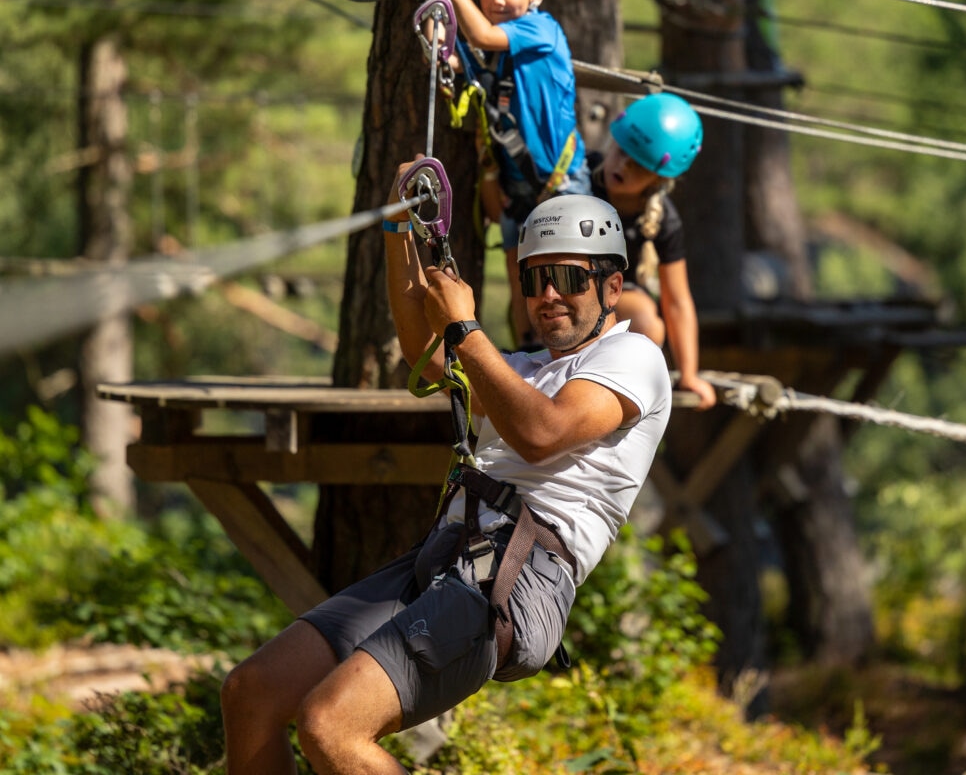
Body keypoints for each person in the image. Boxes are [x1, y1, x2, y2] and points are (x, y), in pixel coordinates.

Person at [219, 171, 671, 775]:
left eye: (570, 278)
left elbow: (542, 435)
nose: (549, 295)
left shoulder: (634, 356)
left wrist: (466, 327)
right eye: (536, 278)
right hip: (449, 555)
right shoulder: (524, 367)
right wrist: (398, 223)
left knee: (331, 727)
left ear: (613, 286)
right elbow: (424, 354)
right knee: (251, 694)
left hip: (518, 575)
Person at [430, 0, 589, 350]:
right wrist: (439, 29)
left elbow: (481, 33)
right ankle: (529, 352)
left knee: (564, 276)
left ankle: (573, 353)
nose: (498, 1)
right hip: (517, 186)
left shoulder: (542, 31)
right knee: (523, 284)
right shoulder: (498, 56)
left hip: (559, 182)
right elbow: (461, 56)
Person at [589, 92, 716, 410]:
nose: (622, 167)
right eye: (621, 152)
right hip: (561, 285)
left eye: (638, 166)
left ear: (658, 178)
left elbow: (677, 300)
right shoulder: (578, 177)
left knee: (649, 322)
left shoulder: (664, 220)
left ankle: (612, 396)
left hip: (613, 299)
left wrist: (689, 374)